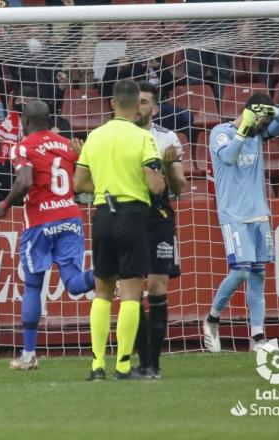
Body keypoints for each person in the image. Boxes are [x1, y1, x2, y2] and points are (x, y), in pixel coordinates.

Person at [73, 79, 165, 380]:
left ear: (112, 104)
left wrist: (107, 185)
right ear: (134, 106)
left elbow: (79, 184)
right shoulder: (143, 138)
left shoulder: (95, 136)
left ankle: (97, 365)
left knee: (102, 292)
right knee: (130, 294)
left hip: (103, 215)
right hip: (133, 214)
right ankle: (124, 365)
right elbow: (155, 184)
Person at [0, 101, 95, 370]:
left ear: (25, 120)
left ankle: (28, 355)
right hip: (71, 218)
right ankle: (107, 271)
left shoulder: (22, 146)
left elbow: (25, 180)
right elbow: (87, 177)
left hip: (40, 223)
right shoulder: (66, 144)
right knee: (74, 283)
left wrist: (5, 204)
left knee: (33, 287)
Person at [202, 93, 279, 352]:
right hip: (233, 215)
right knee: (240, 271)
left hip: (258, 213)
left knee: (259, 274)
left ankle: (258, 339)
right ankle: (211, 319)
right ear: (250, 114)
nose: (266, 126)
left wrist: (271, 111)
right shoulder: (221, 132)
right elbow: (229, 157)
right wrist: (244, 125)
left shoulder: (258, 135)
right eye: (262, 119)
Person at [133, 82, 186, 379]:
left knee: (157, 287)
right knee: (132, 290)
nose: (138, 106)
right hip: (130, 217)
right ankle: (143, 362)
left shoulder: (167, 139)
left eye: (144, 102)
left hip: (159, 217)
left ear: (154, 108)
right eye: (136, 101)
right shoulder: (121, 135)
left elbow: (180, 188)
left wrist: (167, 169)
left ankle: (154, 363)